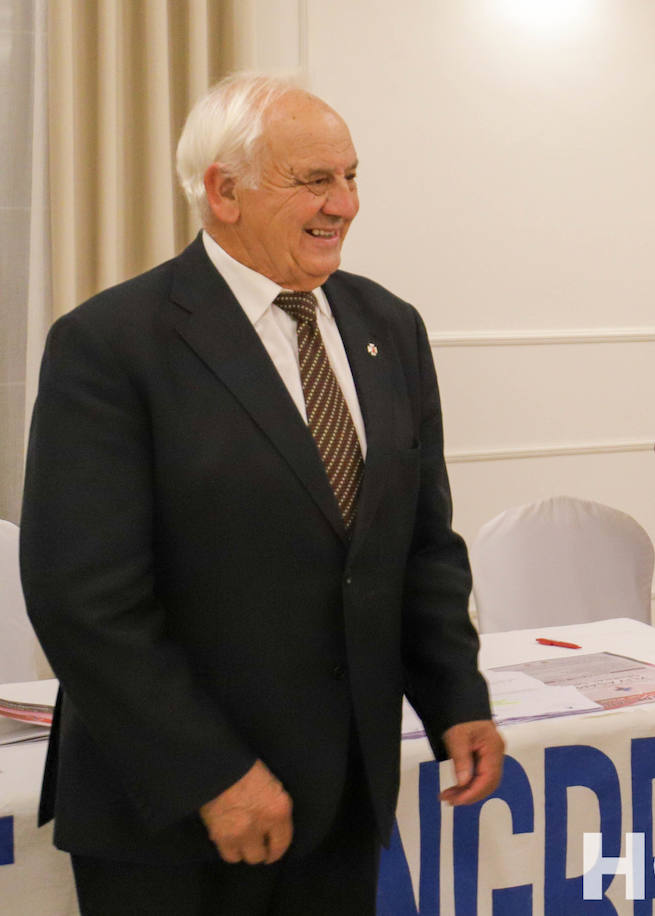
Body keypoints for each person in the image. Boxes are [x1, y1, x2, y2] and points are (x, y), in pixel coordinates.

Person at [19, 73, 503, 915]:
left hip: (342, 801)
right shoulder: (110, 345)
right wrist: (212, 774)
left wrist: (455, 695)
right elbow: (83, 601)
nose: (344, 204)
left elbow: (419, 544)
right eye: (314, 180)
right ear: (224, 192)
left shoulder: (390, 327)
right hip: (174, 822)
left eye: (350, 176)